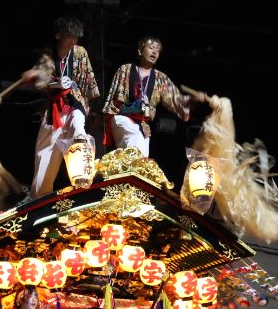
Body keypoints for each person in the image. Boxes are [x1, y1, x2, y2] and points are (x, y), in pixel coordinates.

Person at [21, 16, 100, 196]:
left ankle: (83, 178)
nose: (73, 40)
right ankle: (39, 197)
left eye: (76, 37)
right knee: (45, 156)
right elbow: (42, 76)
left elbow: (88, 82)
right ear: (59, 35)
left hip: (75, 104)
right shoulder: (49, 53)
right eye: (69, 36)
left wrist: (91, 107)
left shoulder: (80, 52)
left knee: (79, 128)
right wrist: (34, 74)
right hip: (53, 111)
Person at [102, 35, 192, 158]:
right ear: (140, 51)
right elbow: (113, 98)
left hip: (143, 126)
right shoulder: (125, 70)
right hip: (123, 118)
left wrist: (192, 99)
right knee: (135, 143)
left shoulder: (160, 78)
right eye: (151, 48)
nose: (155, 51)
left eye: (158, 50)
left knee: (142, 159)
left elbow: (178, 101)